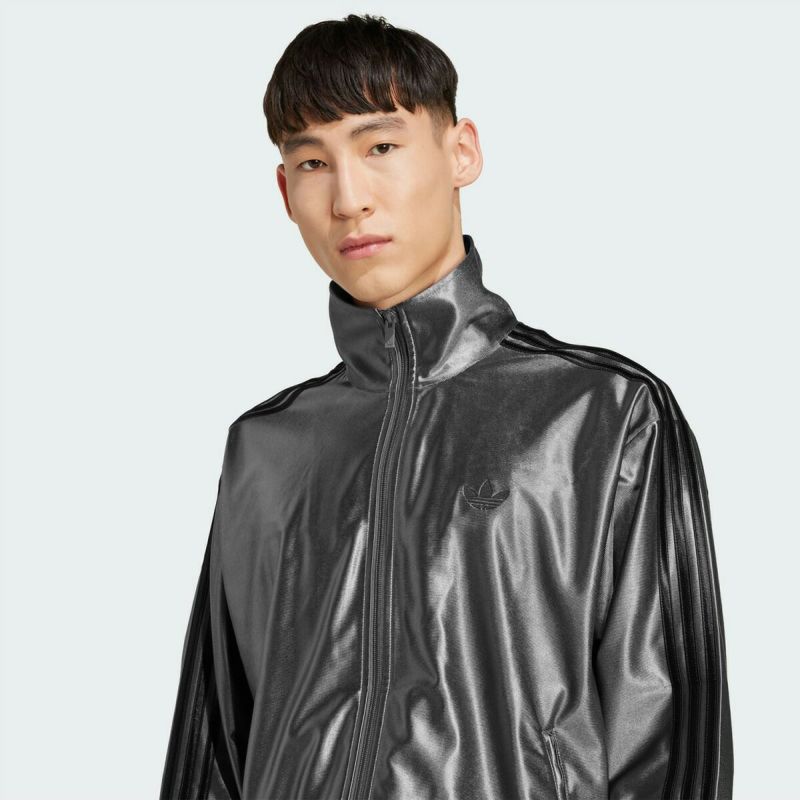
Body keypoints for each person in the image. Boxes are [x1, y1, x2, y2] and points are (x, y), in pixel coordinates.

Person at [160, 13, 733, 800]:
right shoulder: (265, 448)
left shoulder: (603, 415)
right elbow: (212, 755)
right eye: (313, 162)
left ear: (461, 151)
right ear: (286, 191)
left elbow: (670, 744)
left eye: (380, 146)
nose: (349, 199)